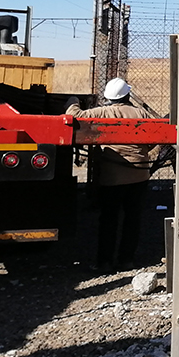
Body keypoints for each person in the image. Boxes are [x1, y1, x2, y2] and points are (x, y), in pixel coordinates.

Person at [66, 77, 153, 272]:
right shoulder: (141, 113)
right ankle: (126, 260)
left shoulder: (102, 112)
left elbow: (73, 116)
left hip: (112, 178)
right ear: (127, 95)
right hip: (139, 176)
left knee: (109, 219)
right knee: (133, 218)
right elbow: (154, 137)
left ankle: (104, 262)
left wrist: (73, 100)